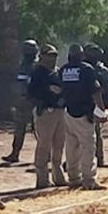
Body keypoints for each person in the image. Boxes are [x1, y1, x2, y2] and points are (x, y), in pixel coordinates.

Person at [59, 44, 107, 191]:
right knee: (88, 147)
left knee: (71, 146)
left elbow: (60, 89)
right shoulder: (86, 69)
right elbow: (95, 91)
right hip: (85, 113)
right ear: (82, 55)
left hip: (68, 112)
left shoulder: (63, 70)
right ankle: (89, 179)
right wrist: (101, 109)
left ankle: (73, 178)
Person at [28, 44, 68, 189]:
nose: (52, 58)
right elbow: (31, 92)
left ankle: (58, 176)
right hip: (45, 111)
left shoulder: (58, 72)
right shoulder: (37, 72)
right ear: (42, 56)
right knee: (44, 145)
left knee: (59, 144)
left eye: (55, 55)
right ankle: (42, 179)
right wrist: (47, 89)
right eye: (49, 55)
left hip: (60, 110)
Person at [2, 39, 39, 163]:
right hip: (22, 101)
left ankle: (46, 154)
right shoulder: (21, 66)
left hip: (36, 102)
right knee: (19, 129)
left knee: (39, 131)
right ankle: (15, 153)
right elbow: (16, 84)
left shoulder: (38, 66)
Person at [84, 44, 108, 169]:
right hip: (83, 104)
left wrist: (104, 90)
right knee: (79, 134)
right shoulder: (82, 68)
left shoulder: (103, 70)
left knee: (97, 133)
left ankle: (100, 159)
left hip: (98, 105)